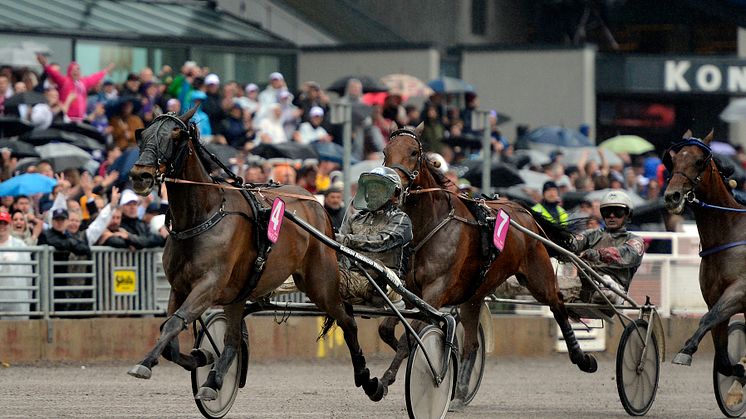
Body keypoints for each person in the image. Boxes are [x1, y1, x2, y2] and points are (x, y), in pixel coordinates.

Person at [335, 167, 412, 308]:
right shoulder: (355, 219)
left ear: (395, 193)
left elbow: (384, 241)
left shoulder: (400, 218)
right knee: (323, 275)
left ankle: (373, 290)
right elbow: (338, 250)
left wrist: (345, 240)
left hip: (390, 282)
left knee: (333, 279)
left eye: (378, 188)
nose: (372, 192)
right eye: (370, 188)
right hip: (355, 277)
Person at [567, 190, 645, 304]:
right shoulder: (591, 234)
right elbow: (574, 242)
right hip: (584, 285)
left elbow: (627, 255)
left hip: (615, 290)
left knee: (605, 288)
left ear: (628, 214)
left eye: (617, 212)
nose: (612, 216)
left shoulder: (635, 241)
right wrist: (565, 244)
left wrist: (597, 254)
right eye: (607, 212)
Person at [0, 210, 33, 319]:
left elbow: (28, 275)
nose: (2, 227)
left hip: (17, 302)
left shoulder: (20, 245)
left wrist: (28, 299)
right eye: (0, 223)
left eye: (4, 223)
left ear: (9, 225)